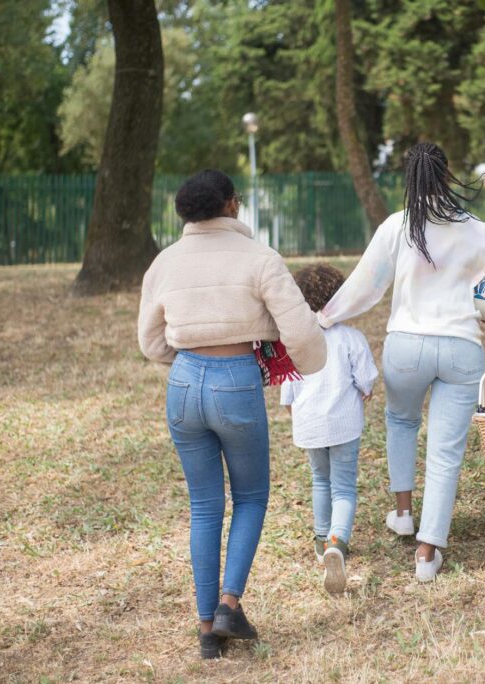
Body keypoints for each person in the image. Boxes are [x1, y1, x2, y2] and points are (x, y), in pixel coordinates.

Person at [318, 142, 485, 582]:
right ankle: (427, 553)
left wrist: (324, 316)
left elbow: (365, 286)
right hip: (461, 348)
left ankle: (402, 513)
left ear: (408, 178)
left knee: (400, 422)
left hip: (406, 347)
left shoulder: (398, 226)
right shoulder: (477, 230)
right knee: (445, 450)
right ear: (447, 174)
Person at [137, 169, 326, 659]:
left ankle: (206, 631)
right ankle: (228, 605)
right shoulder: (259, 258)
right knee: (250, 497)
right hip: (236, 380)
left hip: (182, 383)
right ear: (231, 205)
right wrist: (308, 365)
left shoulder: (164, 262)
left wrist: (183, 364)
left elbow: (150, 341)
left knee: (203, 505)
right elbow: (301, 333)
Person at [280, 263, 378, 595]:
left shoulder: (294, 342)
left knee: (320, 480)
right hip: (344, 424)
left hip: (309, 425)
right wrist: (365, 390)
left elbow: (288, 392)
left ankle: (322, 541)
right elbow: (366, 381)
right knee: (344, 488)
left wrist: (300, 415)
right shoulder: (351, 338)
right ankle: (338, 541)